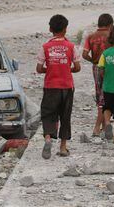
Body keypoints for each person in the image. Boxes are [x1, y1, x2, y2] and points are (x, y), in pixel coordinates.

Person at [37, 14, 81, 159]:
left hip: (51, 86)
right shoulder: (71, 46)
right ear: (65, 29)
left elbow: (39, 68)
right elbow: (77, 67)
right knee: (65, 116)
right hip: (67, 87)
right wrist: (68, 69)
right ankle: (63, 147)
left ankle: (48, 138)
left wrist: (49, 69)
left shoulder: (45, 47)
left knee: (48, 113)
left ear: (50, 28)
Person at [82, 13, 113, 136]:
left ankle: (105, 126)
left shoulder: (91, 37)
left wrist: (94, 61)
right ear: (110, 25)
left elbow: (84, 55)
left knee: (100, 96)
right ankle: (98, 127)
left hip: (96, 68)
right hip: (110, 68)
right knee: (107, 97)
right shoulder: (111, 36)